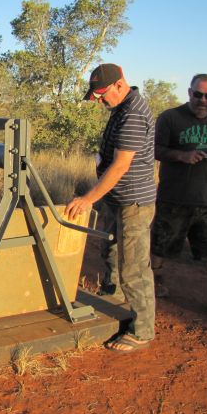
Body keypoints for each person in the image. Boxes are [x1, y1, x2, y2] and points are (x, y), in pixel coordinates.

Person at [65, 63, 156, 353]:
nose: (100, 101)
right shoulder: (120, 108)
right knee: (111, 251)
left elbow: (120, 166)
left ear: (120, 84)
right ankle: (113, 303)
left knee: (134, 267)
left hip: (133, 202)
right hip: (117, 199)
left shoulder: (132, 114)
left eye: (103, 95)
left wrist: (88, 199)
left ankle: (142, 331)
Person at [151, 74, 207, 322]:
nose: (203, 100)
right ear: (189, 92)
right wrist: (181, 156)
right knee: (161, 243)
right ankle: (156, 277)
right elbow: (155, 149)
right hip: (174, 197)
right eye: (198, 94)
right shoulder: (170, 117)